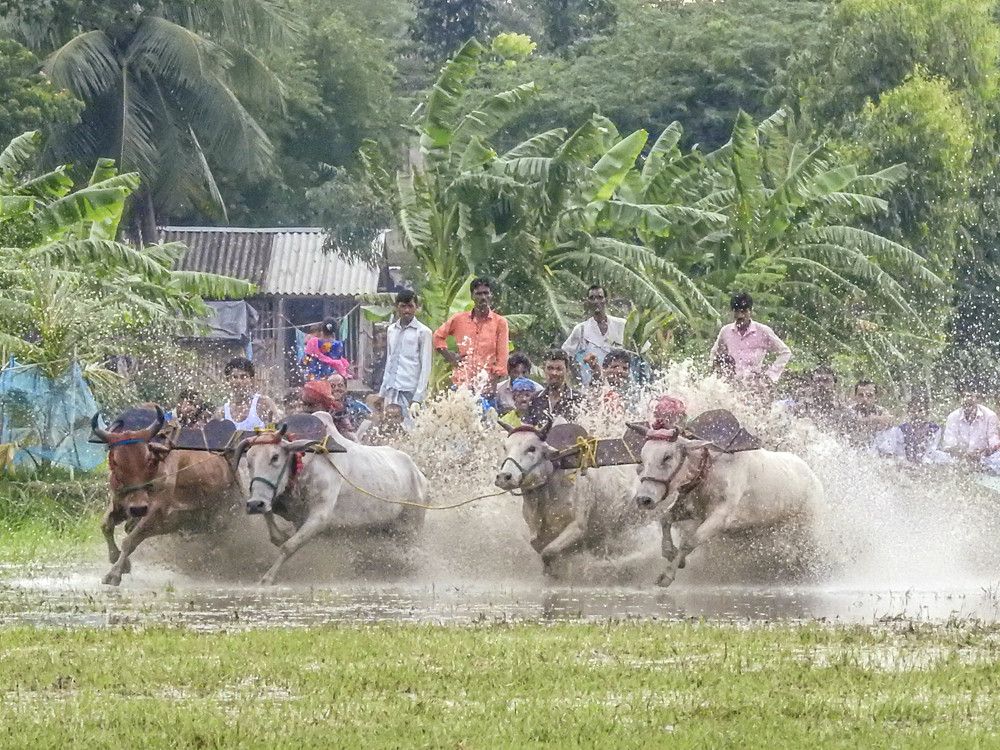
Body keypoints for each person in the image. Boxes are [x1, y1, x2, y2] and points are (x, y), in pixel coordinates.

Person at [433, 277, 510, 390]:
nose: (483, 297)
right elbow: (437, 337)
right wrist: (451, 358)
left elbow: (502, 359)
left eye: (486, 293)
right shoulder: (459, 319)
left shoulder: (500, 323)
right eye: (478, 294)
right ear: (472, 296)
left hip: (485, 384)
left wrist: (491, 383)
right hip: (461, 383)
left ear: (491, 295)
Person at [709, 292, 791, 385]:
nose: (740, 315)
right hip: (730, 385)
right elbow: (714, 353)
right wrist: (715, 373)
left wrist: (770, 375)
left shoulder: (762, 331)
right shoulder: (726, 331)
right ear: (732, 312)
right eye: (736, 311)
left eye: (743, 311)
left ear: (750, 311)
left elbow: (785, 352)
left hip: (753, 385)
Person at [379, 290, 433, 419]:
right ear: (397, 307)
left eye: (410, 306)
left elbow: (426, 367)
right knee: (390, 431)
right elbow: (389, 361)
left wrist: (418, 399)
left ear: (416, 307)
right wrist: (382, 393)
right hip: (391, 390)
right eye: (403, 306)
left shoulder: (423, 332)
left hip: (410, 391)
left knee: (411, 431)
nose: (407, 310)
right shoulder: (391, 330)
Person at [562, 284, 627, 385]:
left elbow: (640, 351)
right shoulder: (581, 330)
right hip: (592, 387)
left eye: (600, 297)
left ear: (606, 300)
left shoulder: (621, 325)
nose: (596, 301)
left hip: (621, 385)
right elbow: (565, 355)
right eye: (592, 298)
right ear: (587, 302)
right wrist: (577, 377)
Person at [875, 392, 951, 465]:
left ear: (927, 412)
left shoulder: (934, 430)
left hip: (928, 462)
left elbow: (931, 451)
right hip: (906, 463)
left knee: (945, 459)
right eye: (913, 410)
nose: (916, 414)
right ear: (908, 412)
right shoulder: (901, 430)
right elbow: (899, 452)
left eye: (920, 411)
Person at [941, 388, 1000, 466]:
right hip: (958, 459)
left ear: (977, 398)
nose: (967, 399)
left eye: (970, 396)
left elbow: (994, 442)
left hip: (984, 459)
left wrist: (984, 452)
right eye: (964, 396)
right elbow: (949, 444)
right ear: (960, 400)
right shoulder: (953, 417)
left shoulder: (989, 416)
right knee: (938, 458)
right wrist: (962, 454)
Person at [217, 357, 278, 430]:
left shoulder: (263, 404)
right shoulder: (222, 413)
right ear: (228, 380)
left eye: (243, 377)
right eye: (234, 377)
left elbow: (278, 430)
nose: (239, 381)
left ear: (251, 380)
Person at [526, 349, 582, 425]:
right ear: (544, 369)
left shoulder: (578, 400)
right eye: (550, 368)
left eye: (559, 369)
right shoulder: (534, 400)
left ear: (567, 370)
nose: (554, 373)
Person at [844, 379, 895, 447]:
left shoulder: (880, 411)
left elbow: (891, 421)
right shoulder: (849, 411)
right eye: (861, 395)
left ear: (875, 398)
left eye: (869, 395)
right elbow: (856, 422)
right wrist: (873, 419)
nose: (865, 399)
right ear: (855, 397)